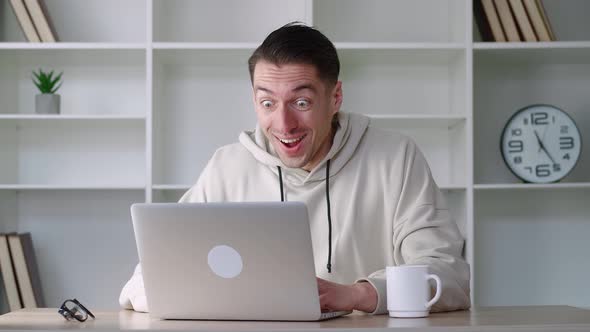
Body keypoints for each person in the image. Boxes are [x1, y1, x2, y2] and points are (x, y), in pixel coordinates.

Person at [120, 22, 470, 314]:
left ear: (335, 98)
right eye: (267, 102)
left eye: (301, 102)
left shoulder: (396, 158)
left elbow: (449, 275)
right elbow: (145, 279)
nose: (284, 124)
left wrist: (358, 294)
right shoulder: (226, 166)